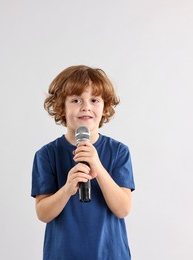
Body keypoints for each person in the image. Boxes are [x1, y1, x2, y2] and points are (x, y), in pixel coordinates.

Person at [31, 65, 135, 259]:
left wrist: (97, 166)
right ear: (61, 106)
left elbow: (123, 209)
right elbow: (43, 213)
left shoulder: (119, 151)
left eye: (94, 100)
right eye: (76, 100)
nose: (86, 106)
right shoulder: (46, 155)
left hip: (110, 254)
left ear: (105, 107)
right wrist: (67, 189)